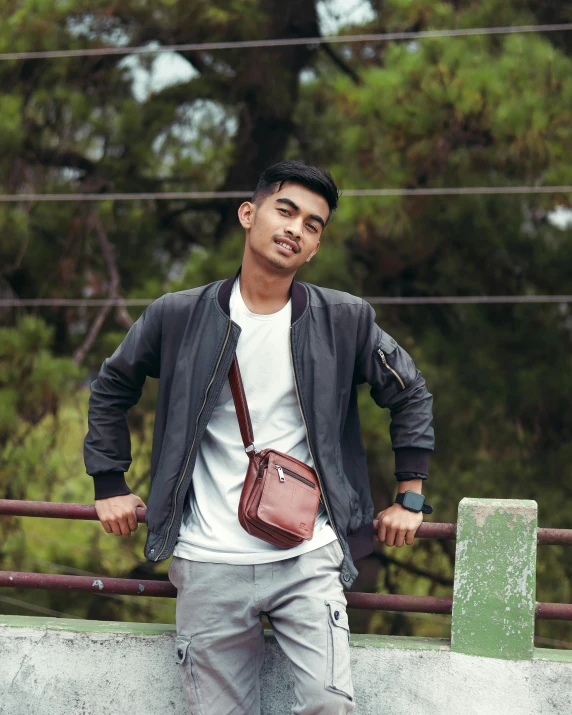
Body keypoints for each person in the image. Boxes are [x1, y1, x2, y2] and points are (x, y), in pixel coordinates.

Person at [84, 161, 434, 715]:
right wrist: (109, 483)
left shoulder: (346, 320)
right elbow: (111, 387)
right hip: (207, 559)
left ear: (316, 247)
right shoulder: (178, 316)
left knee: (329, 705)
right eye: (286, 210)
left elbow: (409, 392)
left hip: (308, 556)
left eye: (313, 225)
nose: (297, 228)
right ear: (249, 214)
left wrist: (410, 495)